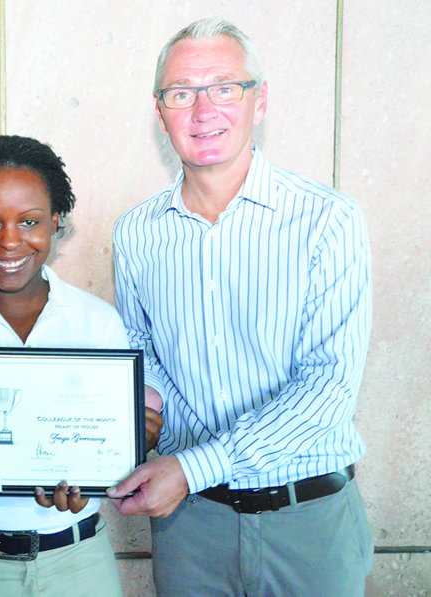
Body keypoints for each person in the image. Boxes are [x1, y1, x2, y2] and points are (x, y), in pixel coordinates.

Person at [108, 17, 373, 597]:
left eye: (225, 87)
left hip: (310, 522)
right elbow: (141, 361)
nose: (204, 110)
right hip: (190, 529)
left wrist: (193, 465)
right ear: (161, 113)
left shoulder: (329, 221)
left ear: (260, 101)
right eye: (182, 93)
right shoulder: (135, 234)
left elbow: (328, 388)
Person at [0, 135, 159, 597]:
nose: (10, 241)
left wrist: (128, 443)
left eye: (30, 221)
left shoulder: (97, 321)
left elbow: (116, 448)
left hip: (79, 562)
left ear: (56, 222)